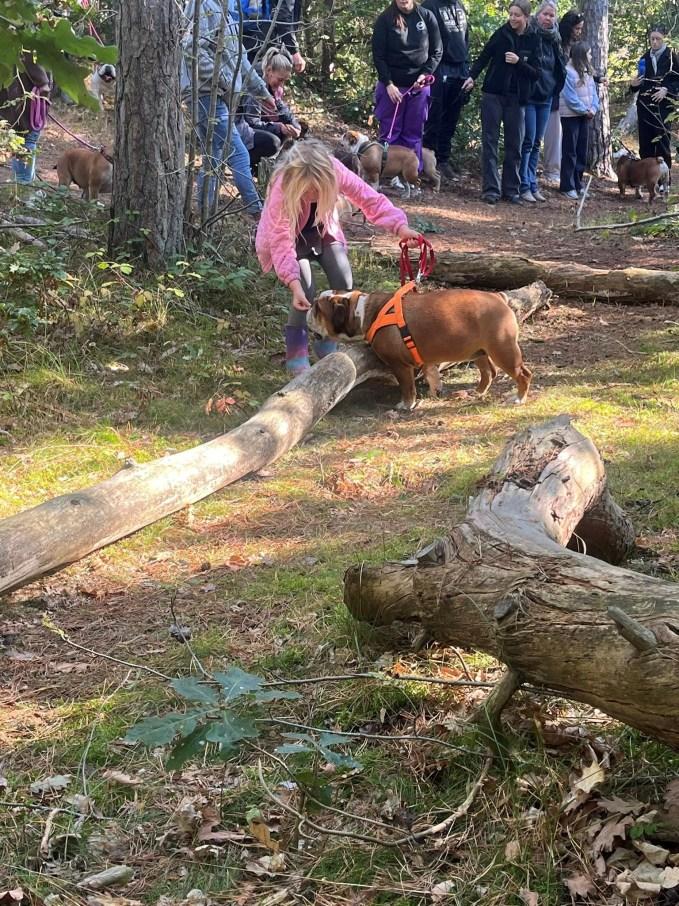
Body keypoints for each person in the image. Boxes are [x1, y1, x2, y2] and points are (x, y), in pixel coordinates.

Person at [255, 139, 421, 375]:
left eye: (318, 188)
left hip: (323, 230)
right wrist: (293, 283)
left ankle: (327, 337)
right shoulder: (283, 185)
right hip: (289, 238)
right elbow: (280, 238)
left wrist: (400, 227)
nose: (314, 193)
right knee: (305, 288)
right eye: (309, 189)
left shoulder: (334, 169)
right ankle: (296, 352)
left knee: (343, 280)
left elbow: (368, 198)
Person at [181, 0, 277, 214]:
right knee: (239, 153)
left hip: (217, 95)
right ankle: (258, 214)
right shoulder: (202, 5)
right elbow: (190, 47)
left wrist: (263, 93)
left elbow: (240, 59)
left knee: (214, 157)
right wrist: (223, 81)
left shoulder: (226, 12)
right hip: (206, 94)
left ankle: (205, 214)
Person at [463, 0, 540, 205]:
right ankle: (491, 190)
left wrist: (519, 62)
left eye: (517, 15)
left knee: (514, 144)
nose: (512, 18)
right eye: (511, 14)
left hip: (517, 98)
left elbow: (536, 73)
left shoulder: (534, 39)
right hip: (493, 94)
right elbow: (484, 57)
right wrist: (472, 77)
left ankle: (511, 190)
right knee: (490, 141)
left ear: (526, 17)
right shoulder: (501, 34)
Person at [372, 0, 443, 165]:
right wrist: (388, 83)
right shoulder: (385, 18)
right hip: (392, 86)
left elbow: (437, 51)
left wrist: (425, 74)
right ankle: (388, 170)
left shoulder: (426, 16)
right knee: (390, 131)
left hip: (419, 85)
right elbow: (378, 55)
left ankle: (411, 172)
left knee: (413, 132)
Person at [519, 0, 565, 202]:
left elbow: (558, 67)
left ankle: (533, 184)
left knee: (537, 142)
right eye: (545, 14)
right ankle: (523, 184)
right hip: (529, 96)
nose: (548, 18)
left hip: (546, 96)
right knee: (528, 141)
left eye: (551, 15)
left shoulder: (555, 39)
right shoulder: (529, 34)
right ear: (537, 15)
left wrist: (555, 88)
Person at [421, 0, 470, 182]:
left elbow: (465, 39)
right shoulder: (429, 6)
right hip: (439, 68)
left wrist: (467, 70)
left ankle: (443, 160)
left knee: (451, 118)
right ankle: (427, 162)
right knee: (434, 117)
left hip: (459, 70)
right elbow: (424, 42)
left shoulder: (459, 6)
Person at [238, 45, 300, 175]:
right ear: (269, 70)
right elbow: (251, 122)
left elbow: (282, 109)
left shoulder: (274, 87)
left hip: (255, 126)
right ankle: (244, 164)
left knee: (285, 132)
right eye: (280, 79)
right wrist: (278, 127)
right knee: (273, 142)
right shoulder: (255, 88)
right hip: (240, 128)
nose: (281, 84)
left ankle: (265, 168)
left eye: (284, 81)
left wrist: (295, 126)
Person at [541, 9, 583, 186]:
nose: (579, 32)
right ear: (569, 27)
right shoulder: (557, 42)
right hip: (553, 92)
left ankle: (557, 169)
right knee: (553, 132)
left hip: (569, 94)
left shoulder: (575, 46)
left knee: (564, 135)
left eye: (581, 29)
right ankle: (551, 169)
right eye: (577, 28)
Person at [630, 25, 679, 171]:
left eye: (658, 39)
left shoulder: (671, 57)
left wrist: (666, 90)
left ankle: (664, 178)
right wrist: (633, 85)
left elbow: (677, 79)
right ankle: (646, 177)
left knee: (663, 143)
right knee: (646, 144)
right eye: (652, 39)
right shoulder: (644, 58)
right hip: (645, 107)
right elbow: (639, 83)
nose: (655, 42)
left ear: (663, 38)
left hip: (663, 108)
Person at [0, 51, 52, 185]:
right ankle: (23, 187)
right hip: (23, 100)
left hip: (13, 97)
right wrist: (43, 82)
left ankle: (24, 185)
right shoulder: (25, 43)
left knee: (22, 139)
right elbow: (28, 53)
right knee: (26, 138)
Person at [559, 41, 599, 198]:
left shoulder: (587, 72)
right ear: (581, 55)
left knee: (581, 150)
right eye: (589, 54)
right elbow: (570, 97)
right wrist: (584, 110)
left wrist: (593, 108)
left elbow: (594, 93)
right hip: (571, 116)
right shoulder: (568, 72)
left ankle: (578, 183)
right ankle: (567, 185)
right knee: (570, 150)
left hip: (585, 116)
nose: (591, 56)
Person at [240, 0, 306, 73]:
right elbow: (283, 17)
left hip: (249, 37)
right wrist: (294, 52)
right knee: (263, 74)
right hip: (263, 43)